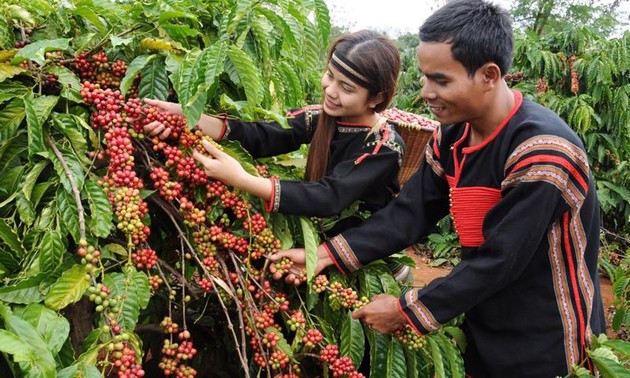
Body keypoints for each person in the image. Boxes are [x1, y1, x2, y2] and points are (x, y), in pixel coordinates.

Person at [269, 0, 606, 376]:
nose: (425, 92)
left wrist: (405, 310)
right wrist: (326, 255)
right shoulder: (452, 135)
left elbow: (500, 260)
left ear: (490, 75)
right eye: (426, 77)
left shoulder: (542, 151)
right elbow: (409, 213)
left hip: (546, 335)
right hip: (483, 313)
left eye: (441, 80)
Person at [144, 30, 412, 283]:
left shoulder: (384, 147)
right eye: (330, 76)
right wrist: (189, 117)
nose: (330, 90)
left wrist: (241, 178)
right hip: (317, 245)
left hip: (363, 258)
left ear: (376, 98)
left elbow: (328, 196)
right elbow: (264, 135)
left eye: (347, 88)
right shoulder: (322, 117)